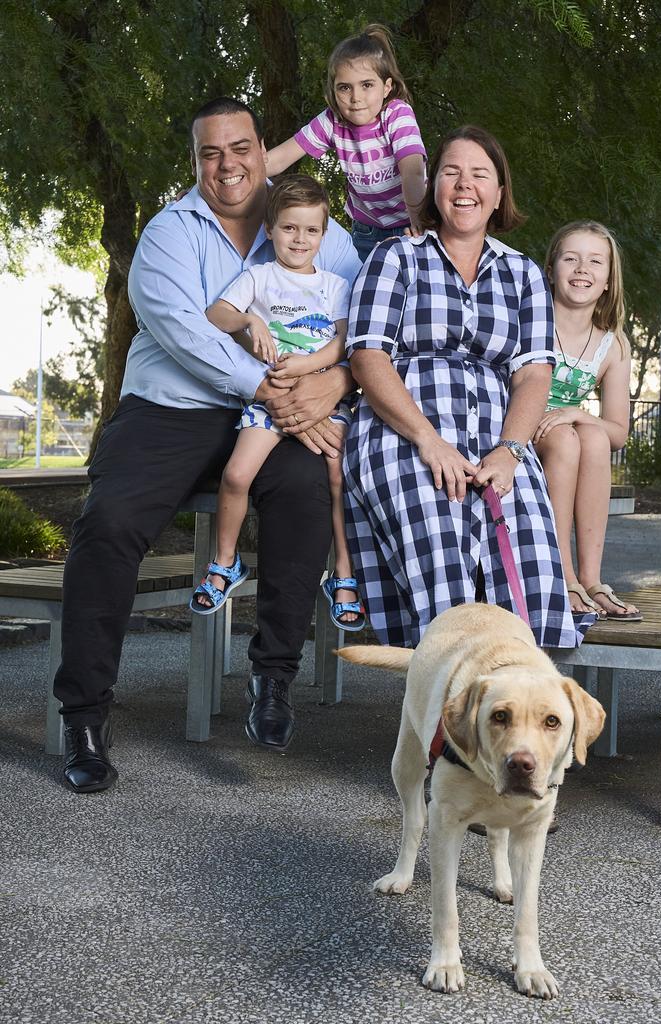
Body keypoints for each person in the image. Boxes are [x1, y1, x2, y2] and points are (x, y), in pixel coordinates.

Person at [53, 98, 361, 794]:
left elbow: (363, 316)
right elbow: (184, 333)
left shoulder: (318, 229)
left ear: (263, 148)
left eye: (241, 147)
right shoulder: (169, 233)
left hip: (274, 412)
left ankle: (272, 679)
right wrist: (273, 390)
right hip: (174, 407)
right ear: (195, 161)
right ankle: (85, 714)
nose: (228, 165)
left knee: (308, 491)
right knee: (108, 524)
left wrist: (334, 382)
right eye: (210, 153)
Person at [342, 125, 595, 651]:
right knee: (440, 545)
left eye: (480, 174)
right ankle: (447, 711)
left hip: (496, 437)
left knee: (529, 560)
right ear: (433, 186)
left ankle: (517, 716)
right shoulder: (395, 257)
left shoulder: (522, 273)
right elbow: (368, 358)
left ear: (499, 193)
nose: (464, 185)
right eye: (451, 172)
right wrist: (429, 440)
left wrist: (510, 451)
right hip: (403, 429)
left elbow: (532, 375)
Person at [189, 174, 365, 631]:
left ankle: (344, 574)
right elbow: (215, 315)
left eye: (310, 231)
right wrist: (250, 320)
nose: (299, 239)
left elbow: (344, 344)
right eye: (289, 228)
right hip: (268, 404)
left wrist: (307, 369)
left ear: (324, 235)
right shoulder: (259, 277)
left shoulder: (333, 285)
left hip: (322, 401)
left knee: (336, 478)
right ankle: (225, 563)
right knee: (235, 474)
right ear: (271, 229)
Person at [532, 221, 642, 621]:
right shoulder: (531, 319)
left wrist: (579, 413)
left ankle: (592, 579)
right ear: (551, 269)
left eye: (595, 261)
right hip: (520, 426)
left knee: (591, 437)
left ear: (609, 280)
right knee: (566, 439)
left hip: (567, 433)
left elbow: (617, 432)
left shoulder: (613, 345)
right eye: (571, 258)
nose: (582, 269)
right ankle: (562, 576)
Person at [266, 23, 427, 261]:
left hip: (411, 221)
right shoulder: (333, 121)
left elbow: (412, 172)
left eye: (367, 85)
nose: (355, 98)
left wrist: (419, 223)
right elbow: (277, 160)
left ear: (386, 87)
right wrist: (213, 185)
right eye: (344, 88)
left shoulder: (397, 114)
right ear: (333, 91)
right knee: (363, 291)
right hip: (367, 230)